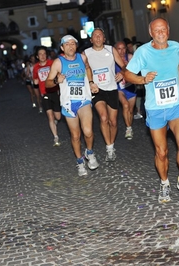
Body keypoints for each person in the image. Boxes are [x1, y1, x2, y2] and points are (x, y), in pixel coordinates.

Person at [124, 17, 179, 203]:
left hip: (175, 105)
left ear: (168, 30)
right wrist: (142, 80)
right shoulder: (143, 52)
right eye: (157, 30)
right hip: (155, 109)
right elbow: (127, 74)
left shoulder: (175, 47)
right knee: (161, 151)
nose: (161, 33)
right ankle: (164, 183)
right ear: (151, 33)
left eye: (163, 29)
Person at [45, 35, 100, 177]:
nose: (70, 46)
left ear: (76, 46)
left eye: (73, 43)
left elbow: (88, 69)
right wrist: (57, 80)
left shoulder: (82, 58)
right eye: (67, 44)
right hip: (68, 103)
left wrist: (91, 82)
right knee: (75, 136)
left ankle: (90, 152)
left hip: (84, 100)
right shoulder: (58, 62)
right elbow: (47, 83)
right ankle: (80, 161)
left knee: (88, 131)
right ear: (62, 48)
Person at [84, 28, 126, 162]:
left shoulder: (111, 50)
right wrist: (89, 82)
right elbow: (81, 69)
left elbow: (123, 65)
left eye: (100, 35)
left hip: (112, 88)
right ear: (91, 40)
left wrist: (122, 73)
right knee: (103, 118)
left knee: (113, 122)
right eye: (94, 36)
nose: (97, 37)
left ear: (104, 39)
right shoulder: (86, 53)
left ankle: (111, 144)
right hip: (97, 90)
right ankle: (109, 148)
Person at [32, 46, 62, 147]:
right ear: (37, 56)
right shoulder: (35, 67)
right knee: (50, 115)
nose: (42, 56)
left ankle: (56, 121)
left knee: (57, 116)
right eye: (40, 54)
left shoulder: (52, 63)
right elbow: (35, 80)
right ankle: (56, 137)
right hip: (44, 93)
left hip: (54, 92)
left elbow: (58, 75)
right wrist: (35, 83)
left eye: (44, 54)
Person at [114, 41, 136, 140]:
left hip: (130, 86)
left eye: (123, 48)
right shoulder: (112, 59)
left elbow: (137, 70)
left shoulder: (130, 57)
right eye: (119, 49)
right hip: (119, 88)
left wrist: (129, 67)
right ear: (115, 49)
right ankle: (128, 128)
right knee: (125, 105)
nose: (122, 51)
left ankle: (129, 126)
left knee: (130, 111)